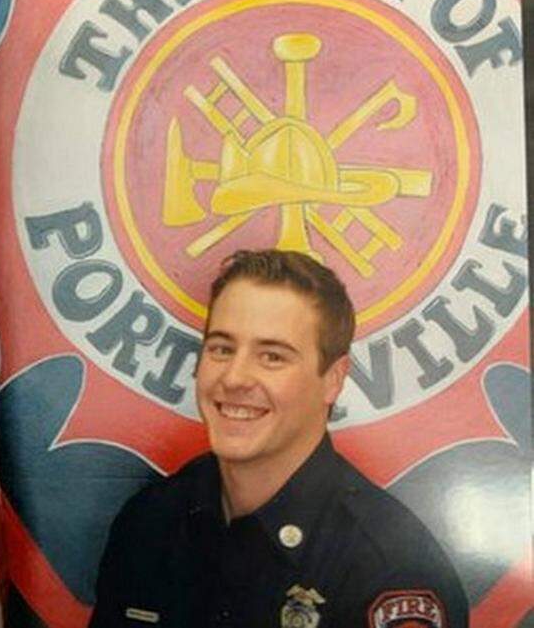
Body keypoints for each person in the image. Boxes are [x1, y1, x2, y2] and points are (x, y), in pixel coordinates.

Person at [89, 249, 466, 628]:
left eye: (272, 357)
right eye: (221, 348)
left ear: (333, 380)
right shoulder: (149, 522)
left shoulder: (392, 571)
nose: (234, 377)